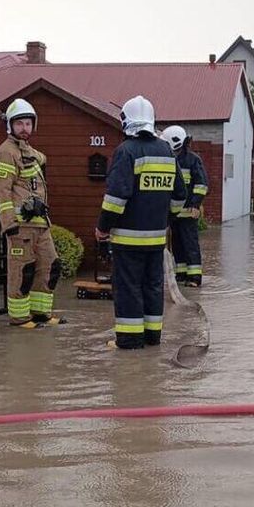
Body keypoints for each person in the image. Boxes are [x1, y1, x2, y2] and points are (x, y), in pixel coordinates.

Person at [96, 96, 188, 349]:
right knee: (152, 287)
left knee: (128, 288)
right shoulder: (167, 151)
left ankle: (129, 341)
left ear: (126, 120)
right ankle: (152, 338)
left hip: (127, 240)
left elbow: (115, 199)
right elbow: (180, 196)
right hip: (156, 239)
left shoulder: (125, 151)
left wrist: (102, 228)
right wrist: (167, 219)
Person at [0, 98, 65, 328]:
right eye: (19, 123)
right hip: (20, 227)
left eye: (28, 124)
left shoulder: (28, 151)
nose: (24, 128)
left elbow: (41, 158)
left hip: (40, 224)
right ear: (10, 126)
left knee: (49, 266)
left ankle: (41, 313)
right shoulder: (6, 153)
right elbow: (1, 190)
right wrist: (9, 224)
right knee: (22, 271)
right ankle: (20, 317)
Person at [161, 125, 209, 287]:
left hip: (189, 212)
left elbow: (202, 184)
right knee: (177, 244)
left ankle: (194, 277)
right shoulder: (168, 159)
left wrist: (195, 204)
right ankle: (181, 273)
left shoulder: (193, 160)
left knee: (190, 243)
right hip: (173, 213)